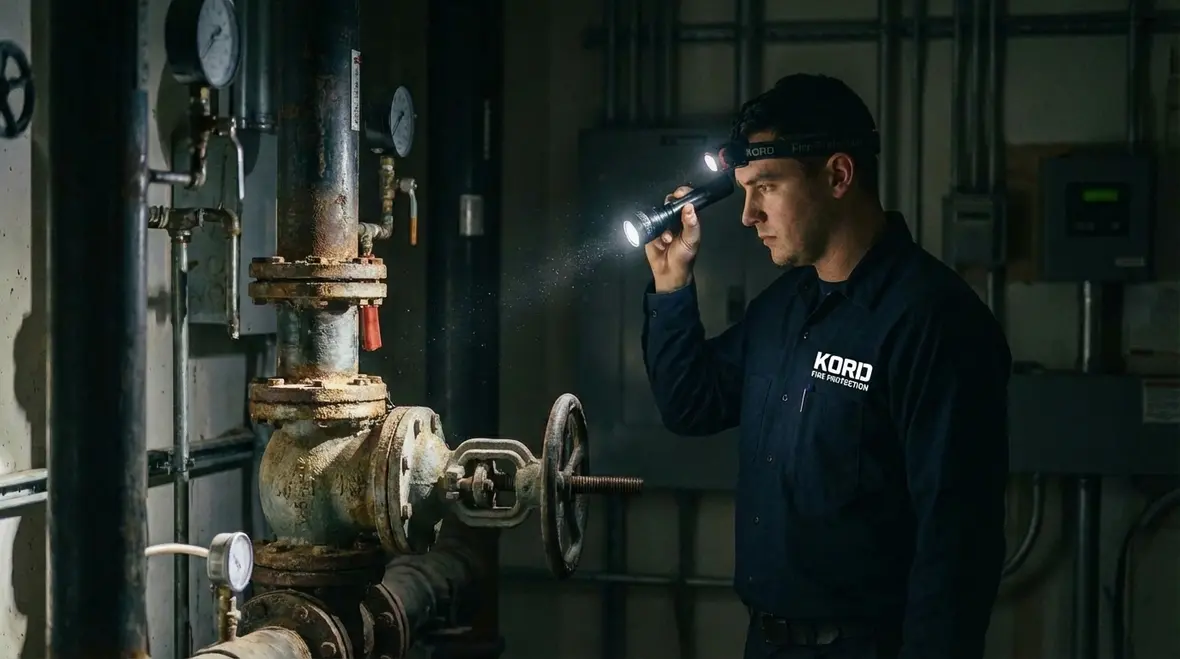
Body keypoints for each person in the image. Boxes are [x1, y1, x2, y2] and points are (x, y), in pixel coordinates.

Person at [640, 73, 1012, 659]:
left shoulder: (933, 322)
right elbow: (693, 405)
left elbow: (958, 544)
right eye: (743, 191)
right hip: (767, 642)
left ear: (838, 175)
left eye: (766, 187)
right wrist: (670, 286)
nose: (748, 215)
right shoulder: (787, 307)